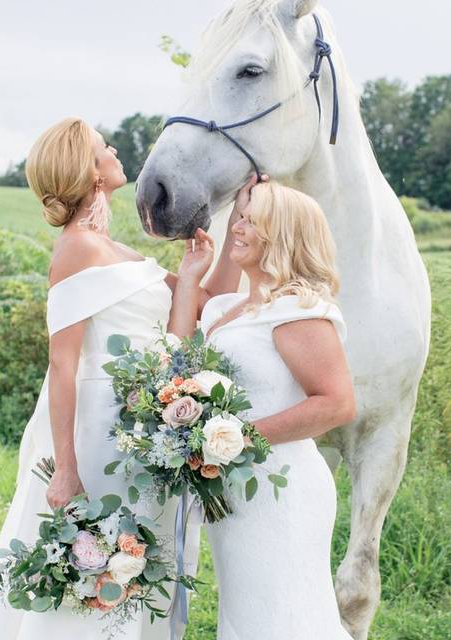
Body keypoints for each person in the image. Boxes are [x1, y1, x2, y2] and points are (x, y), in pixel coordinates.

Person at [0, 116, 250, 640]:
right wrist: (65, 469)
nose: (116, 149)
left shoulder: (114, 248)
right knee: (97, 573)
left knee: (138, 567)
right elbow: (62, 364)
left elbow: (197, 314)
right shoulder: (77, 248)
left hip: (145, 427)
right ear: (91, 171)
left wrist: (215, 246)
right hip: (98, 431)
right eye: (106, 146)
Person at [169, 181, 356, 639]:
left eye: (252, 220)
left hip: (280, 492)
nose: (238, 227)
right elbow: (173, 358)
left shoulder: (297, 312)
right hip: (234, 491)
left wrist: (240, 439)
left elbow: (337, 403)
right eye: (240, 217)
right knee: (246, 615)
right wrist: (192, 277)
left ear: (282, 234)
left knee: (284, 617)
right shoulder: (227, 309)